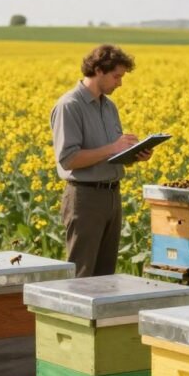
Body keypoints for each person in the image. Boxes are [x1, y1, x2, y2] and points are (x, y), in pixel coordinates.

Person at [50, 44, 152, 277]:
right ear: (98, 70)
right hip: (85, 198)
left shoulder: (109, 106)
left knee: (106, 274)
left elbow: (110, 154)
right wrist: (112, 148)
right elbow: (68, 159)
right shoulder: (70, 106)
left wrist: (134, 155)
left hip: (111, 195)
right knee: (82, 273)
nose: (120, 83)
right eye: (116, 76)